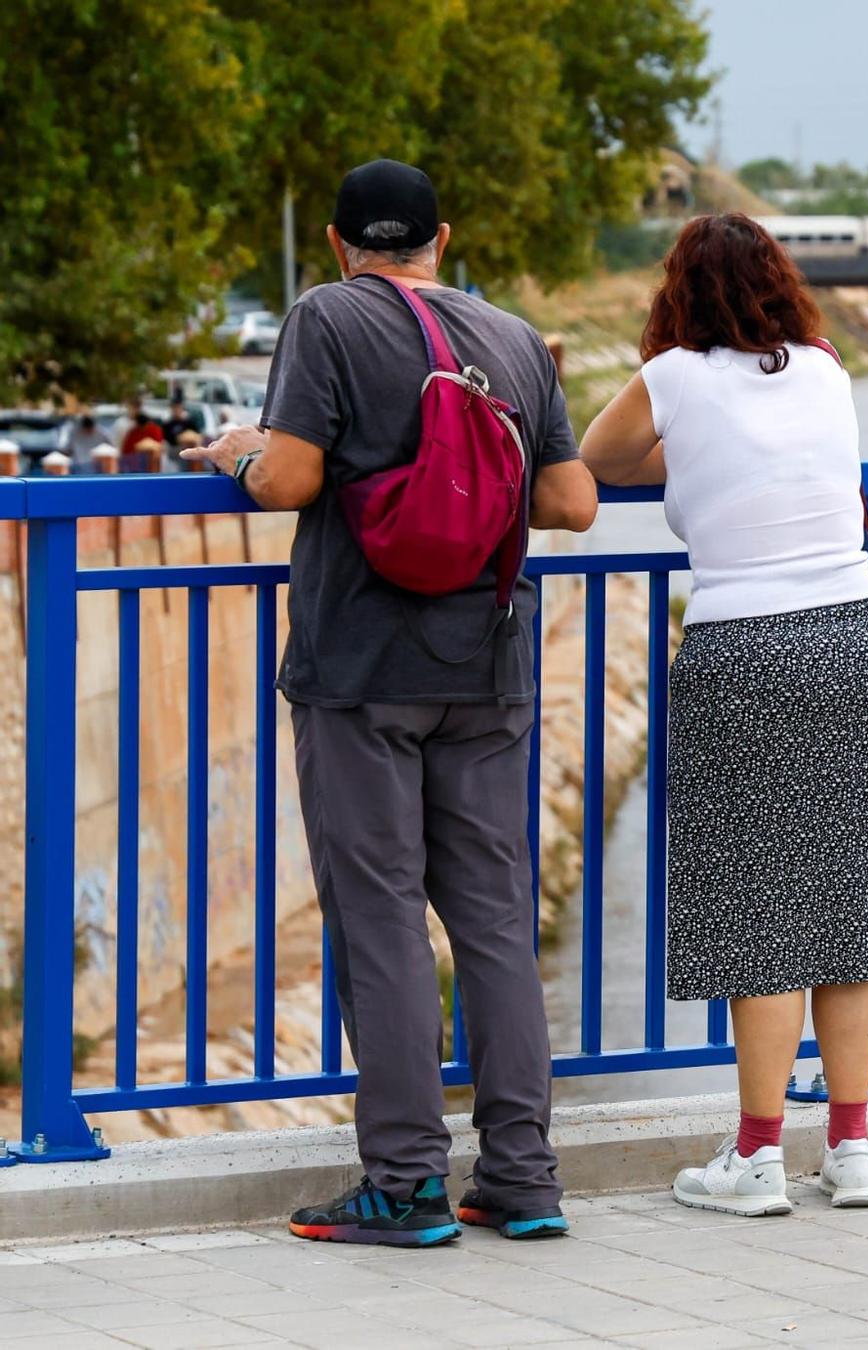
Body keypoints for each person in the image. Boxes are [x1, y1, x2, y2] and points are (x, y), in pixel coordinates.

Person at [185, 159, 598, 1248]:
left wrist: (238, 455)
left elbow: (287, 482)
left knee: (380, 918)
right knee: (496, 924)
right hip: (489, 666)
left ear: (335, 244)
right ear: (441, 239)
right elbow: (573, 503)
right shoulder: (510, 337)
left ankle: (408, 1182)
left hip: (360, 669)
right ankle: (521, 1176)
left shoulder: (325, 317)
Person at [580, 213, 868, 1217]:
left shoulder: (672, 380)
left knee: (762, 913)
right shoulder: (826, 370)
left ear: (677, 295)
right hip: (863, 640)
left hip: (750, 652)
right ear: (782, 283)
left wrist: (686, 455)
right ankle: (855, 1147)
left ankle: (755, 1158)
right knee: (853, 911)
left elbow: (600, 460)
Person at [117, 398, 162, 468]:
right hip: (135, 462)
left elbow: (158, 445)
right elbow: (127, 449)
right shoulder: (132, 431)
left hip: (152, 461)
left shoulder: (154, 429)